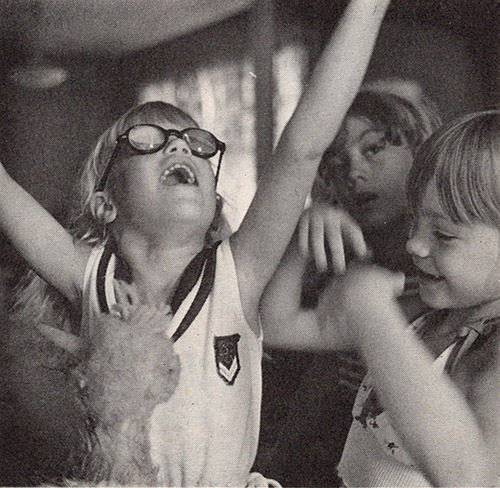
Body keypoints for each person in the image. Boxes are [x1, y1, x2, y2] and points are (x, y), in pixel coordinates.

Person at [0, 0, 391, 485]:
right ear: (105, 204)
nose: (181, 145)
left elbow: (302, 148)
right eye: (148, 139)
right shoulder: (90, 279)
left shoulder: (237, 272)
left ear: (213, 203)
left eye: (196, 141)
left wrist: (367, 10)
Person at [264, 109, 500, 486]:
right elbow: (277, 325)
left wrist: (372, 314)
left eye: (443, 235)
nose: (415, 244)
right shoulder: (422, 313)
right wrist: (302, 240)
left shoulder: (492, 351)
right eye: (414, 223)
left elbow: (471, 477)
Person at [258, 80, 441, 485]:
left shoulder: (446, 283)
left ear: (424, 151)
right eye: (337, 163)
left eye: (373, 148)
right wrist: (305, 232)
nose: (354, 171)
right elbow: (274, 328)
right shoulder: (338, 259)